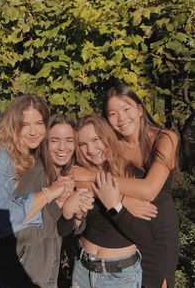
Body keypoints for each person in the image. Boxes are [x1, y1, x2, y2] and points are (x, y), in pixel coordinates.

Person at [71, 86, 180, 288]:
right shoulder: (113, 144)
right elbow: (76, 178)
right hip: (125, 226)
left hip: (158, 225)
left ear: (140, 110)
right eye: (113, 114)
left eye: (127, 109)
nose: (121, 118)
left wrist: (94, 176)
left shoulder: (165, 138)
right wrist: (122, 200)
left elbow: (149, 190)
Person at [0, 95, 70, 288]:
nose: (33, 131)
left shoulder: (32, 153)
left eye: (39, 123)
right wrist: (49, 194)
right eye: (25, 124)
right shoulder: (1, 164)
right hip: (0, 267)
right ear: (13, 126)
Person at [58, 114, 156, 288]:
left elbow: (147, 238)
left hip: (119, 277)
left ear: (107, 137)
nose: (91, 149)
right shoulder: (78, 176)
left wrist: (115, 206)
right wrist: (72, 213)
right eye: (82, 144)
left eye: (96, 139)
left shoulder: (133, 176)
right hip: (82, 269)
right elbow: (65, 231)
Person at [15, 113, 94, 288]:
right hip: (28, 272)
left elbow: (63, 229)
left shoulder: (68, 174)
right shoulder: (35, 174)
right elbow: (15, 227)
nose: (62, 147)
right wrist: (57, 204)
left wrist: (79, 214)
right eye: (55, 140)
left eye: (69, 140)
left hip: (48, 272)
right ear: (45, 143)